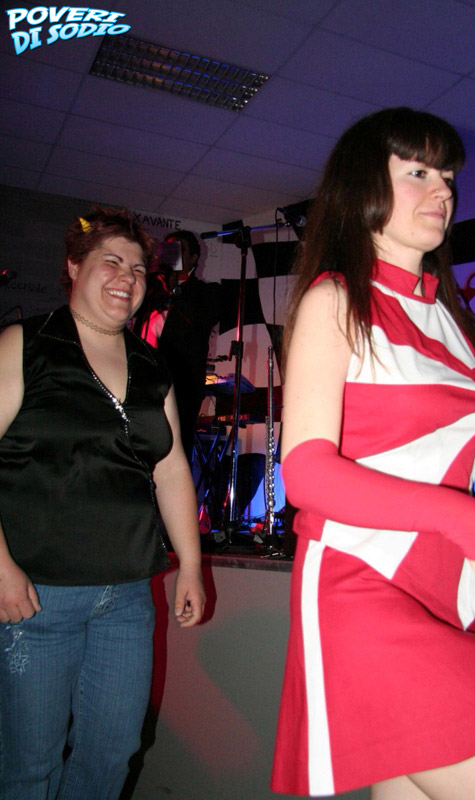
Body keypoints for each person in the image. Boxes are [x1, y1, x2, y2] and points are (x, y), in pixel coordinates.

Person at [271, 108, 475, 799]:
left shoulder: (458, 325)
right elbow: (306, 472)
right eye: (417, 171)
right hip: (363, 589)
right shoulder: (336, 300)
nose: (441, 189)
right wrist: (470, 520)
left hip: (455, 599)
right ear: (363, 188)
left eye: (446, 175)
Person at [0, 206, 205, 800]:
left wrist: (191, 565)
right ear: (73, 266)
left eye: (138, 269)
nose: (127, 277)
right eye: (111, 261)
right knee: (30, 767)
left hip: (126, 598)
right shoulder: (26, 344)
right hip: (38, 595)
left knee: (112, 755)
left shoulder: (150, 365)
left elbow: (170, 468)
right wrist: (2, 567)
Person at [134, 229, 221, 463]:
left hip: (181, 386)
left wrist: (174, 287)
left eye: (179, 249)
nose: (172, 255)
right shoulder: (150, 289)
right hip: (144, 381)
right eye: (168, 249)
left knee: (175, 448)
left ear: (193, 257)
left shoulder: (204, 292)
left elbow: (202, 318)